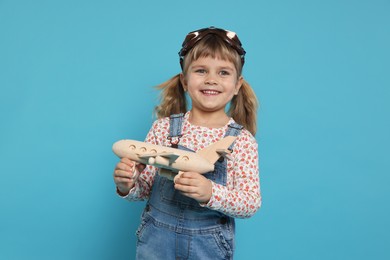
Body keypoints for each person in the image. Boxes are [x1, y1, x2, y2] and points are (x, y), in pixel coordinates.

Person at [113, 26, 261, 259]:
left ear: (237, 85)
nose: (211, 79)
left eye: (223, 72)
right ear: (184, 80)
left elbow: (250, 203)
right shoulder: (163, 128)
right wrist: (127, 184)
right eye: (201, 70)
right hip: (156, 241)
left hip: (208, 246)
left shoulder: (241, 140)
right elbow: (143, 191)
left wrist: (209, 192)